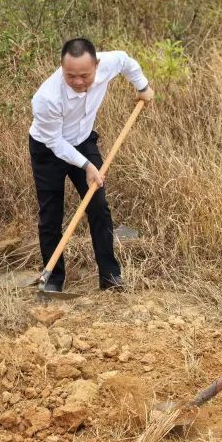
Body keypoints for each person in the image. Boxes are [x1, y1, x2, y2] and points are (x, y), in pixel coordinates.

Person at [28, 38, 155, 293]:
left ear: (96, 65)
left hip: (83, 141)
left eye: (84, 75)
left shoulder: (109, 63)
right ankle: (53, 280)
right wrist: (87, 165)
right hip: (48, 150)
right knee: (51, 214)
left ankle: (110, 276)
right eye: (70, 75)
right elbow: (56, 142)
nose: (77, 81)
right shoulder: (46, 98)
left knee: (98, 206)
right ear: (62, 68)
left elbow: (126, 61)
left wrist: (142, 86)